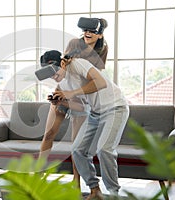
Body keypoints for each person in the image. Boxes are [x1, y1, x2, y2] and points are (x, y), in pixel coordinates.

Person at [40, 50, 129, 200]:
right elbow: (81, 107)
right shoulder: (62, 81)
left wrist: (72, 93)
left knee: (104, 149)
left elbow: (100, 82)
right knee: (77, 150)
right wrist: (61, 102)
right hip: (95, 113)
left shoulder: (77, 64)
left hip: (115, 108)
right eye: (51, 76)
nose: (55, 78)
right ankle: (95, 190)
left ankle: (114, 194)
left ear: (62, 63)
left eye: (55, 73)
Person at [39, 17, 109, 188]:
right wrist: (60, 94)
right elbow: (61, 67)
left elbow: (96, 76)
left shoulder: (103, 49)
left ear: (100, 35)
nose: (87, 33)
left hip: (81, 98)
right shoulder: (74, 43)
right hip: (63, 91)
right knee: (49, 134)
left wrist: (77, 94)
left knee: (76, 144)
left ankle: (76, 183)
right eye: (85, 30)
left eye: (92, 31)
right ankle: (38, 176)